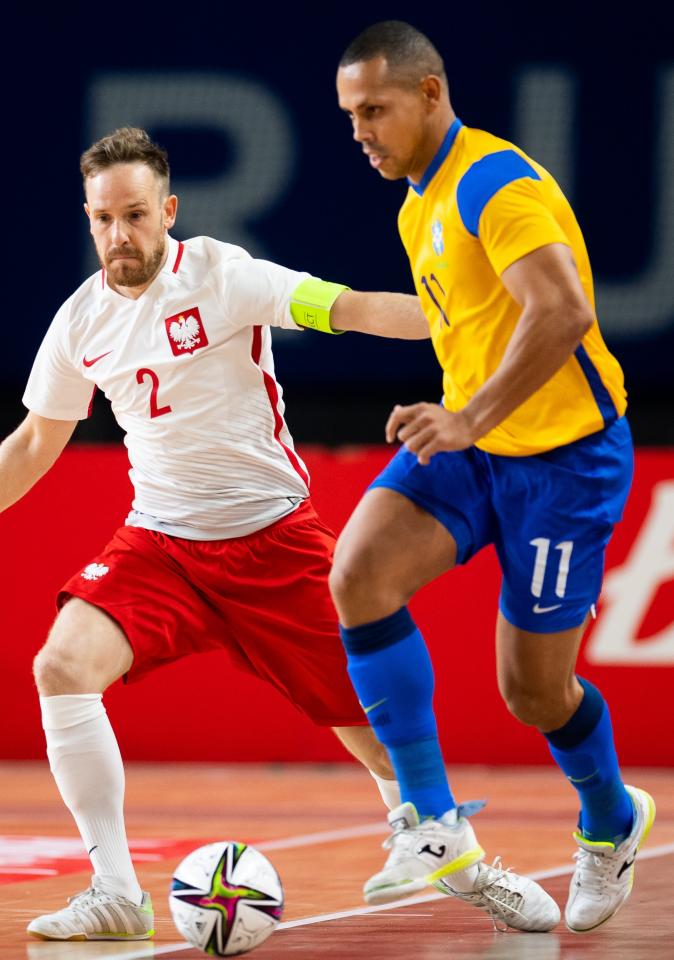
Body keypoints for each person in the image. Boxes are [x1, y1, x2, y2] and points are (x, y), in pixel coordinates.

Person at [4, 126, 430, 942]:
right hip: (160, 545)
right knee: (60, 665)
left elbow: (346, 307)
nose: (118, 235)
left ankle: (451, 849)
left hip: (272, 541)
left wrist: (465, 327)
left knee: (379, 739)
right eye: (102, 218)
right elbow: (30, 446)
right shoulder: (80, 322)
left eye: (134, 215)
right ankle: (116, 892)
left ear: (168, 210)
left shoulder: (224, 277)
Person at [333, 20, 655, 935]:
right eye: (350, 115)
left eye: (376, 110)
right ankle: (433, 824)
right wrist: (456, 413)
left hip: (565, 463)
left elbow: (562, 311)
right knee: (358, 574)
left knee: (533, 695)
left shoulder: (494, 182)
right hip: (475, 448)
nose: (361, 131)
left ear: (431, 92)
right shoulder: (414, 205)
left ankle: (609, 820)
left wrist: (469, 416)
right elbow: (475, 327)